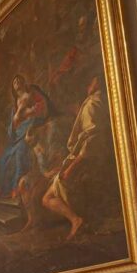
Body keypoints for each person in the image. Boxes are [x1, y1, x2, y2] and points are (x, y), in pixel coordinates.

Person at [42, 76, 107, 240]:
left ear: (98, 83)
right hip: (82, 159)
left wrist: (71, 167)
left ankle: (76, 220)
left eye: (91, 81)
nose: (88, 85)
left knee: (47, 198)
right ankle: (77, 220)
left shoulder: (92, 104)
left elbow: (92, 141)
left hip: (85, 162)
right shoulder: (93, 102)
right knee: (48, 194)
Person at [0, 75, 51, 198]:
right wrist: (17, 119)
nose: (17, 82)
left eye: (19, 79)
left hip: (30, 128)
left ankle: (16, 188)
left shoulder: (32, 94)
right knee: (3, 159)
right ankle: (5, 190)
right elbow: (12, 128)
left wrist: (28, 113)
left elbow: (42, 107)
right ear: (13, 88)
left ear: (23, 81)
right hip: (18, 136)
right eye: (14, 81)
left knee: (20, 152)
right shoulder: (15, 105)